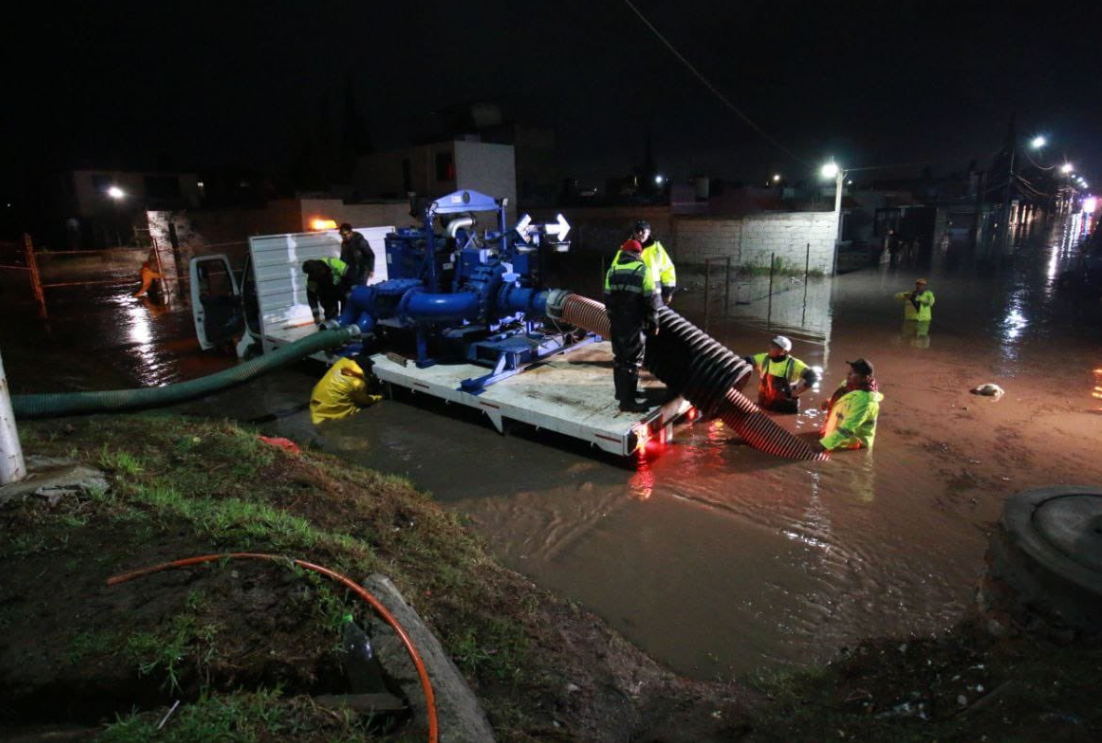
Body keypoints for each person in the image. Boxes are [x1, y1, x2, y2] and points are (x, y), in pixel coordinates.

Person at [605, 238, 661, 413]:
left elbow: (607, 298)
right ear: (638, 253)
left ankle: (622, 393)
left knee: (620, 358)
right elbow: (651, 300)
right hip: (634, 324)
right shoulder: (643, 271)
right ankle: (627, 403)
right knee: (632, 361)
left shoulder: (612, 271)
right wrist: (654, 322)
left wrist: (614, 317)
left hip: (616, 322)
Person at [740, 335, 820, 413]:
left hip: (786, 408)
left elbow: (813, 377)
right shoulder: (764, 358)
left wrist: (796, 392)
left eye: (774, 346)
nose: (770, 348)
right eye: (771, 345)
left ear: (783, 351)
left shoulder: (794, 364)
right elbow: (745, 361)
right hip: (765, 404)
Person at [818, 358, 883, 451]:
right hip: (836, 433)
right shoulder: (848, 384)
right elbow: (844, 399)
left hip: (851, 443)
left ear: (866, 378)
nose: (848, 374)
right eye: (849, 372)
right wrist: (829, 401)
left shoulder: (865, 401)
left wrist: (824, 445)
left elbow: (848, 428)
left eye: (853, 373)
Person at [309, 354, 383, 424]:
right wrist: (378, 397)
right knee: (359, 407)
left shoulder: (340, 364)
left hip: (316, 401)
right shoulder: (357, 383)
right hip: (332, 411)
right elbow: (365, 401)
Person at [632, 220, 677, 305]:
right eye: (637, 230)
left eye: (643, 230)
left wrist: (668, 292)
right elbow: (615, 270)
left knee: (653, 317)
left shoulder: (657, 249)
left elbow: (667, 269)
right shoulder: (625, 249)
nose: (640, 233)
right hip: (631, 296)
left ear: (649, 232)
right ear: (634, 232)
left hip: (653, 296)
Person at [302, 257, 348, 322]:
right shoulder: (312, 279)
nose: (314, 276)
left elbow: (351, 275)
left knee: (347, 314)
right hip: (328, 297)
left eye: (315, 274)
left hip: (344, 290)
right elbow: (312, 298)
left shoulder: (333, 263)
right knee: (331, 319)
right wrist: (316, 315)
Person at [338, 223, 376, 294]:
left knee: (359, 292)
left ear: (350, 233)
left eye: (345, 234)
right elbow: (343, 257)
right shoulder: (344, 243)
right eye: (341, 235)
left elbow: (370, 255)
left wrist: (371, 269)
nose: (343, 237)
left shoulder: (360, 241)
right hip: (349, 272)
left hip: (361, 272)